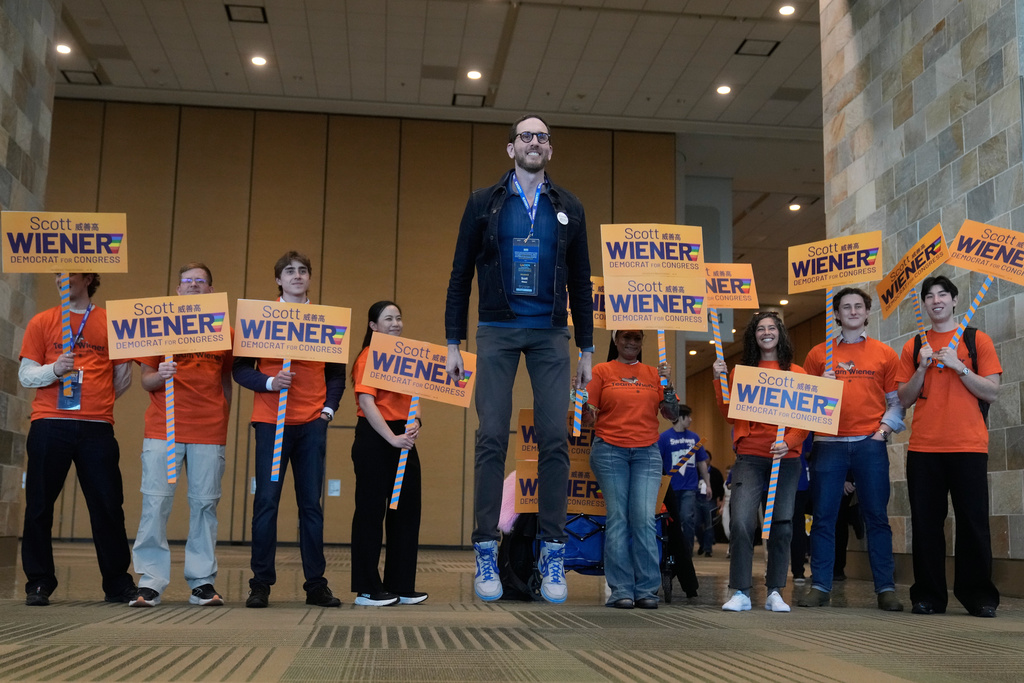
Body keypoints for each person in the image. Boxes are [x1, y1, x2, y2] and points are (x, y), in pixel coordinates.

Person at [445, 114, 593, 604]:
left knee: (554, 439)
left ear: (549, 150)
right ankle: (486, 546)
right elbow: (460, 274)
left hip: (551, 332)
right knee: (491, 435)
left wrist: (587, 349)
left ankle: (553, 551)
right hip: (497, 329)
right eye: (525, 136)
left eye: (543, 137)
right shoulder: (482, 203)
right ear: (511, 149)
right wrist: (452, 342)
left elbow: (580, 283)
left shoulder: (569, 206)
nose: (534, 143)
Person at [232, 251, 346, 608]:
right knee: (266, 503)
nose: (297, 276)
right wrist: (268, 382)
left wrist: (327, 411)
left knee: (311, 505)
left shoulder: (325, 320)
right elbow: (239, 369)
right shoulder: (259, 318)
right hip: (271, 423)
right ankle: (260, 584)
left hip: (312, 424)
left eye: (302, 271)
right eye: (289, 271)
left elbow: (337, 375)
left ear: (309, 279)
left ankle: (316, 584)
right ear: (279, 280)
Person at [19, 272, 136, 606]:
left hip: (96, 427)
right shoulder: (42, 321)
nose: (62, 279)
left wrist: (97, 400)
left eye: (69, 274)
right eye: (58, 274)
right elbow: (26, 375)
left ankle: (117, 582)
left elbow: (122, 378)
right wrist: (55, 370)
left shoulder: (111, 324)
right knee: (39, 505)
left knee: (108, 506)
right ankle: (39, 582)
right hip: (49, 423)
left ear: (88, 278)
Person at [896, 275, 1001, 617]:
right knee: (926, 524)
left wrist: (959, 367)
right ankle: (928, 596)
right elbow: (904, 398)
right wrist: (921, 368)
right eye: (930, 296)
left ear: (955, 300)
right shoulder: (914, 346)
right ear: (924, 304)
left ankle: (979, 596)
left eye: (943, 294)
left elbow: (992, 391)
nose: (936, 300)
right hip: (924, 449)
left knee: (973, 523)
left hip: (968, 446)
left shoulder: (976, 340)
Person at [130, 263, 233, 608]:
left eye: (200, 281)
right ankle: (151, 582)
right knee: (155, 502)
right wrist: (160, 374)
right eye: (187, 281)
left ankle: (202, 582)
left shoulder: (223, 330)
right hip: (164, 427)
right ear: (177, 290)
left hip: (208, 429)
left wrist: (223, 422)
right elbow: (146, 381)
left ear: (211, 292)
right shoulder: (157, 325)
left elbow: (226, 382)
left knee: (205, 505)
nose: (193, 286)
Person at [798, 287, 905, 611]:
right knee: (823, 518)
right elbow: (803, 404)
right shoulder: (819, 355)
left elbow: (896, 403)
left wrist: (883, 432)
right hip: (828, 445)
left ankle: (886, 589)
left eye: (859, 306)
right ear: (837, 314)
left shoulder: (884, 353)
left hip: (868, 444)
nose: (853, 311)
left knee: (876, 516)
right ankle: (820, 586)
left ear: (867, 311)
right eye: (846, 307)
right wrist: (822, 388)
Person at [712, 311, 808, 613]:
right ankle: (739, 590)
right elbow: (730, 413)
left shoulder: (797, 373)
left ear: (780, 333)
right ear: (754, 336)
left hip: (786, 458)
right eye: (760, 329)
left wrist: (789, 442)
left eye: (772, 327)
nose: (766, 332)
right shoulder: (742, 372)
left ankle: (775, 590)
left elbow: (805, 419)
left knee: (782, 524)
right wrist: (719, 380)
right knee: (741, 521)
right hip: (750, 457)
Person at [583, 330, 678, 609]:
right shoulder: (601, 371)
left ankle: (647, 589)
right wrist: (578, 397)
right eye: (625, 337)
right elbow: (588, 418)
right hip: (609, 451)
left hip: (647, 452)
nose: (631, 343)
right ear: (615, 340)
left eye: (637, 338)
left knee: (644, 519)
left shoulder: (654, 373)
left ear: (642, 343)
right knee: (618, 519)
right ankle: (621, 589)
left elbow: (671, 414)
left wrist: (668, 385)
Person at [349, 301, 427, 607]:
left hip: (403, 436)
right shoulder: (368, 356)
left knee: (406, 511)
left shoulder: (406, 357)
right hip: (375, 435)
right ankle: (368, 588)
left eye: (398, 317)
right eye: (388, 318)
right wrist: (391, 438)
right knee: (370, 512)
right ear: (373, 326)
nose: (395, 322)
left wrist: (416, 421)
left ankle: (401, 583)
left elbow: (416, 396)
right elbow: (367, 402)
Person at [657, 405, 710, 597]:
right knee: (669, 523)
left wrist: (707, 483)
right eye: (688, 417)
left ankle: (685, 553)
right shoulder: (664, 438)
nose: (691, 420)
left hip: (689, 487)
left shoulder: (694, 438)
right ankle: (672, 552)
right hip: (669, 489)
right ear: (681, 417)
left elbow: (701, 462)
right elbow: (657, 461)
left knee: (687, 518)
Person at [695, 451, 723, 557]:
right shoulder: (696, 472)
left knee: (709, 525)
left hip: (710, 501)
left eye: (707, 458)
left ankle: (708, 548)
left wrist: (719, 500)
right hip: (697, 500)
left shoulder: (715, 472)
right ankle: (702, 543)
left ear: (710, 459)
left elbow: (720, 487)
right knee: (696, 524)